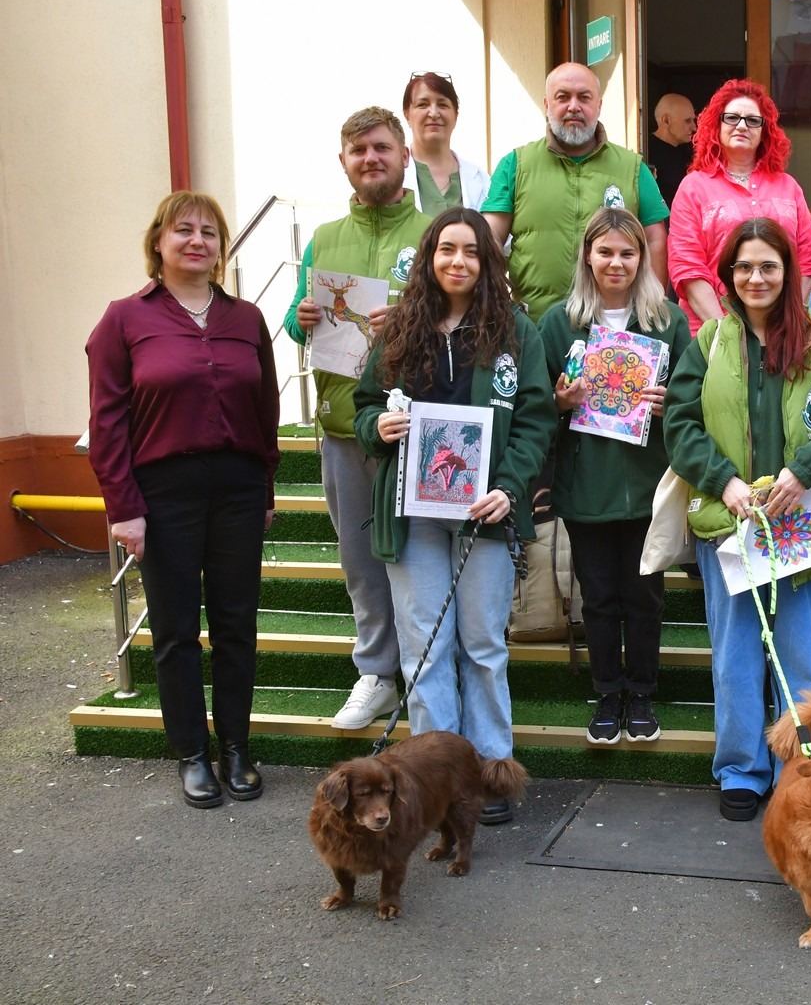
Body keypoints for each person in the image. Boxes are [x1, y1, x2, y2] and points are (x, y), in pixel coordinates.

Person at [353, 208, 554, 826]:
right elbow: (362, 408)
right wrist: (378, 427)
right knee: (425, 647)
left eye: (471, 251)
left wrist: (508, 487)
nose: (458, 261)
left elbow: (537, 419)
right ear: (430, 257)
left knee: (483, 645)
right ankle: (436, 781)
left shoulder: (517, 331)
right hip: (411, 516)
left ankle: (490, 771)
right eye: (446, 250)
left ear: (487, 260)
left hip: (483, 515)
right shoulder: (399, 330)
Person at [87, 192, 279, 809]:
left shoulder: (247, 320)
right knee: (174, 630)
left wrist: (266, 484)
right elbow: (108, 421)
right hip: (162, 493)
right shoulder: (123, 320)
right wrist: (125, 507)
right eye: (184, 230)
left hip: (239, 489)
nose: (197, 241)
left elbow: (266, 408)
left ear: (221, 249)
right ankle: (191, 754)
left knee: (235, 626)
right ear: (159, 242)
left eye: (209, 232)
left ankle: (236, 750)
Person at [664, 217, 811, 822]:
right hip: (732, 524)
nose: (755, 277)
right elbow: (680, 424)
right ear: (727, 275)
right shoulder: (706, 346)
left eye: (768, 266)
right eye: (744, 266)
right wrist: (725, 482)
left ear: (788, 273)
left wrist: (803, 470)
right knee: (737, 651)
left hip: (803, 524)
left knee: (799, 658)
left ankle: (798, 773)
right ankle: (742, 769)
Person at [283, 106, 433, 732]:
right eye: (357, 151)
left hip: (416, 427)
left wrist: (406, 320)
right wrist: (304, 319)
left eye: (380, 148)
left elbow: (466, 312)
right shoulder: (324, 237)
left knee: (419, 554)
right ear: (343, 162)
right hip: (346, 424)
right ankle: (376, 671)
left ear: (403, 154)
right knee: (358, 559)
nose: (370, 159)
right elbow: (295, 319)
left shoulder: (434, 230)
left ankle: (426, 672)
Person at [539, 208, 691, 745]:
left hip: (650, 485)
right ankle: (608, 693)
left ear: (642, 258)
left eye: (628, 252)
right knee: (599, 596)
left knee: (645, 596)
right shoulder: (560, 322)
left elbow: (693, 400)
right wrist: (560, 401)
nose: (616, 262)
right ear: (587, 255)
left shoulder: (667, 321)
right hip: (587, 487)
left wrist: (668, 404)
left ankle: (642, 691)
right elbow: (538, 403)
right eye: (605, 252)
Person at [483, 62, 670, 322]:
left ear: (599, 106)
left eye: (584, 97)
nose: (574, 106)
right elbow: (488, 238)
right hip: (534, 328)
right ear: (547, 105)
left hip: (614, 331)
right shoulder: (515, 165)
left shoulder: (633, 168)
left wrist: (650, 309)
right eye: (563, 97)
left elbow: (655, 240)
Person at [667, 79, 811, 335]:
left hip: (781, 334)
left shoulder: (788, 186)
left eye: (753, 120)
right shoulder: (693, 187)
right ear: (716, 125)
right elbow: (687, 266)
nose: (742, 125)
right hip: (711, 333)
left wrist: (791, 318)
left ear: (765, 131)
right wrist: (725, 332)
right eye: (732, 118)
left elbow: (810, 258)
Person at [402, 70, 491, 216]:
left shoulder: (481, 181)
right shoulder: (393, 176)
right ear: (407, 114)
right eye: (423, 105)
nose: (434, 113)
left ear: (455, 115)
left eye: (443, 105)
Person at [647, 92, 697, 206]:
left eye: (693, 120)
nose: (694, 127)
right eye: (688, 120)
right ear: (666, 120)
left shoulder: (690, 149)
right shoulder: (646, 150)